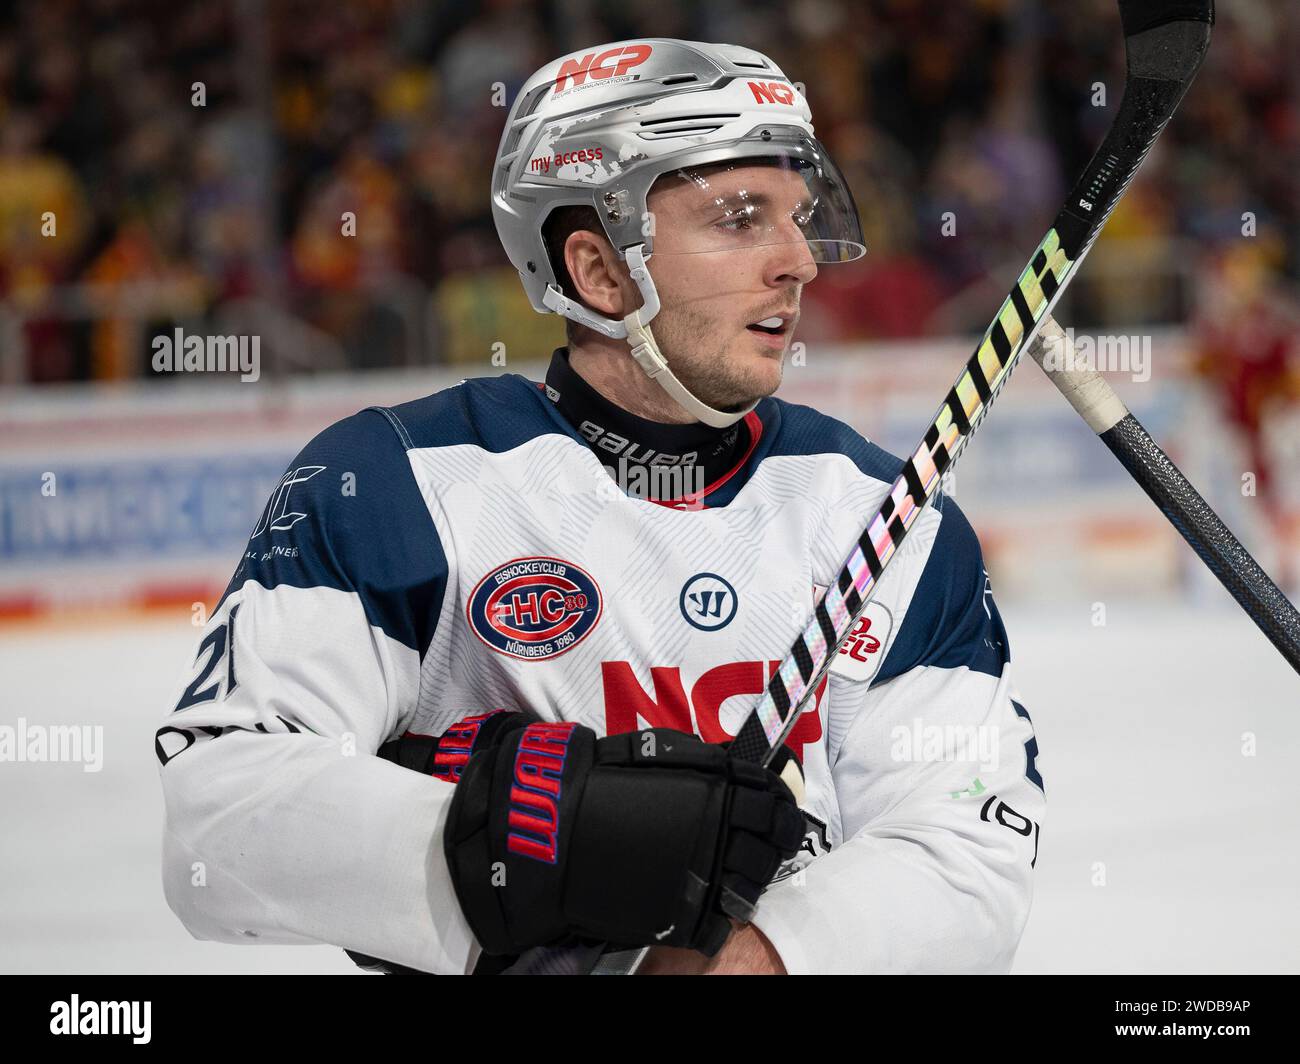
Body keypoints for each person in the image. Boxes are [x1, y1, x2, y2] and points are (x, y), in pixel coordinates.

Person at [157, 38, 1044, 975]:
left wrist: (757, 960)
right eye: (741, 218)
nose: (798, 262)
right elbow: (214, 832)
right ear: (601, 271)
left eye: (799, 215)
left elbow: (968, 852)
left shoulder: (893, 521)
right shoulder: (393, 481)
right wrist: (539, 842)